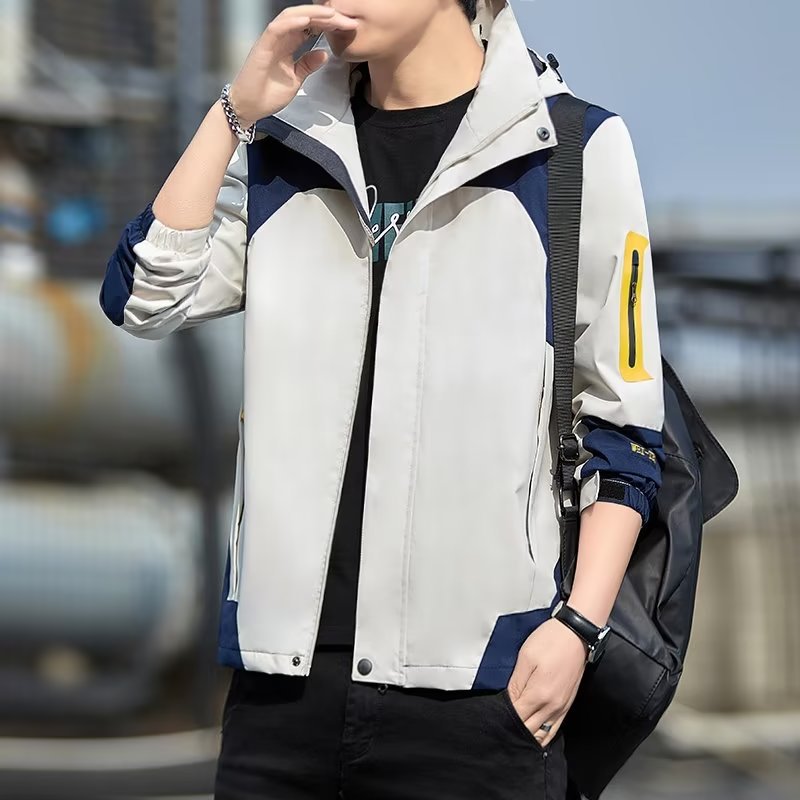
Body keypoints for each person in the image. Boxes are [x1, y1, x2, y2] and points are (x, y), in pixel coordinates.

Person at [99, 1, 665, 798]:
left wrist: (576, 629)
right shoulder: (283, 147)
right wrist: (234, 112)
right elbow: (143, 296)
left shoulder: (571, 148)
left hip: (483, 692)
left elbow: (625, 432)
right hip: (280, 694)